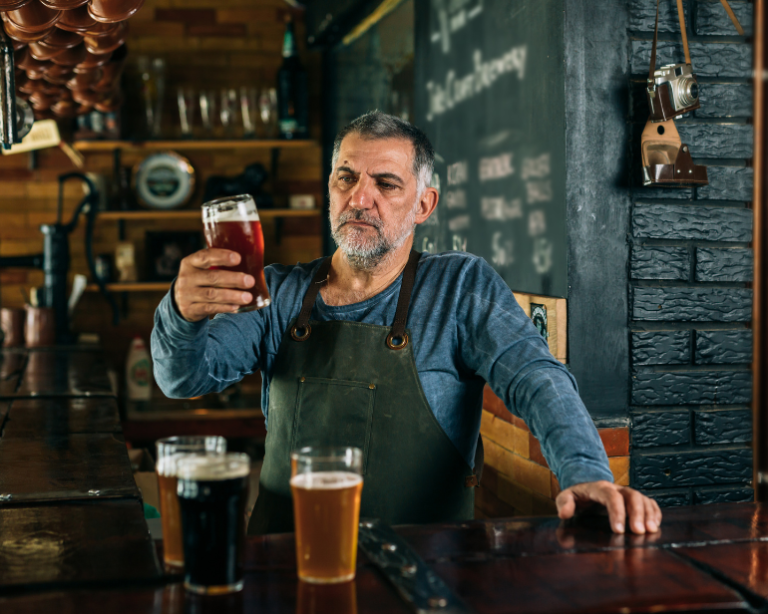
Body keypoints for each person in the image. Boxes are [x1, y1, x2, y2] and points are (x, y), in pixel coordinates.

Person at [152, 111, 661, 536]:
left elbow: (536, 377)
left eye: (385, 183)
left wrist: (585, 473)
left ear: (424, 204)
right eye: (346, 177)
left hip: (422, 575)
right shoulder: (278, 292)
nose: (359, 197)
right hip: (284, 567)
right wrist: (180, 313)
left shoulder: (460, 287)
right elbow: (183, 378)